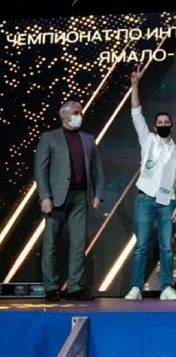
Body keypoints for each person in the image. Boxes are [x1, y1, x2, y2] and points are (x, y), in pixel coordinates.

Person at [124, 66, 176, 301]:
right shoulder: (148, 140)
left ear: (171, 126)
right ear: (155, 125)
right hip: (145, 199)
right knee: (141, 245)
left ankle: (166, 287)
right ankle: (136, 288)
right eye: (159, 122)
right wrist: (135, 85)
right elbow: (136, 114)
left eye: (166, 122)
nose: (162, 124)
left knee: (167, 246)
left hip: (167, 202)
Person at [34, 100, 105, 301]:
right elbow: (40, 169)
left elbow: (97, 169)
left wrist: (97, 194)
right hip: (56, 197)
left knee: (78, 243)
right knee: (51, 242)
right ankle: (51, 287)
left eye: (80, 113)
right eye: (75, 113)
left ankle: (74, 287)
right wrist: (45, 196)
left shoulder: (88, 139)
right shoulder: (49, 138)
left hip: (81, 196)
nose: (79, 116)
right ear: (64, 115)